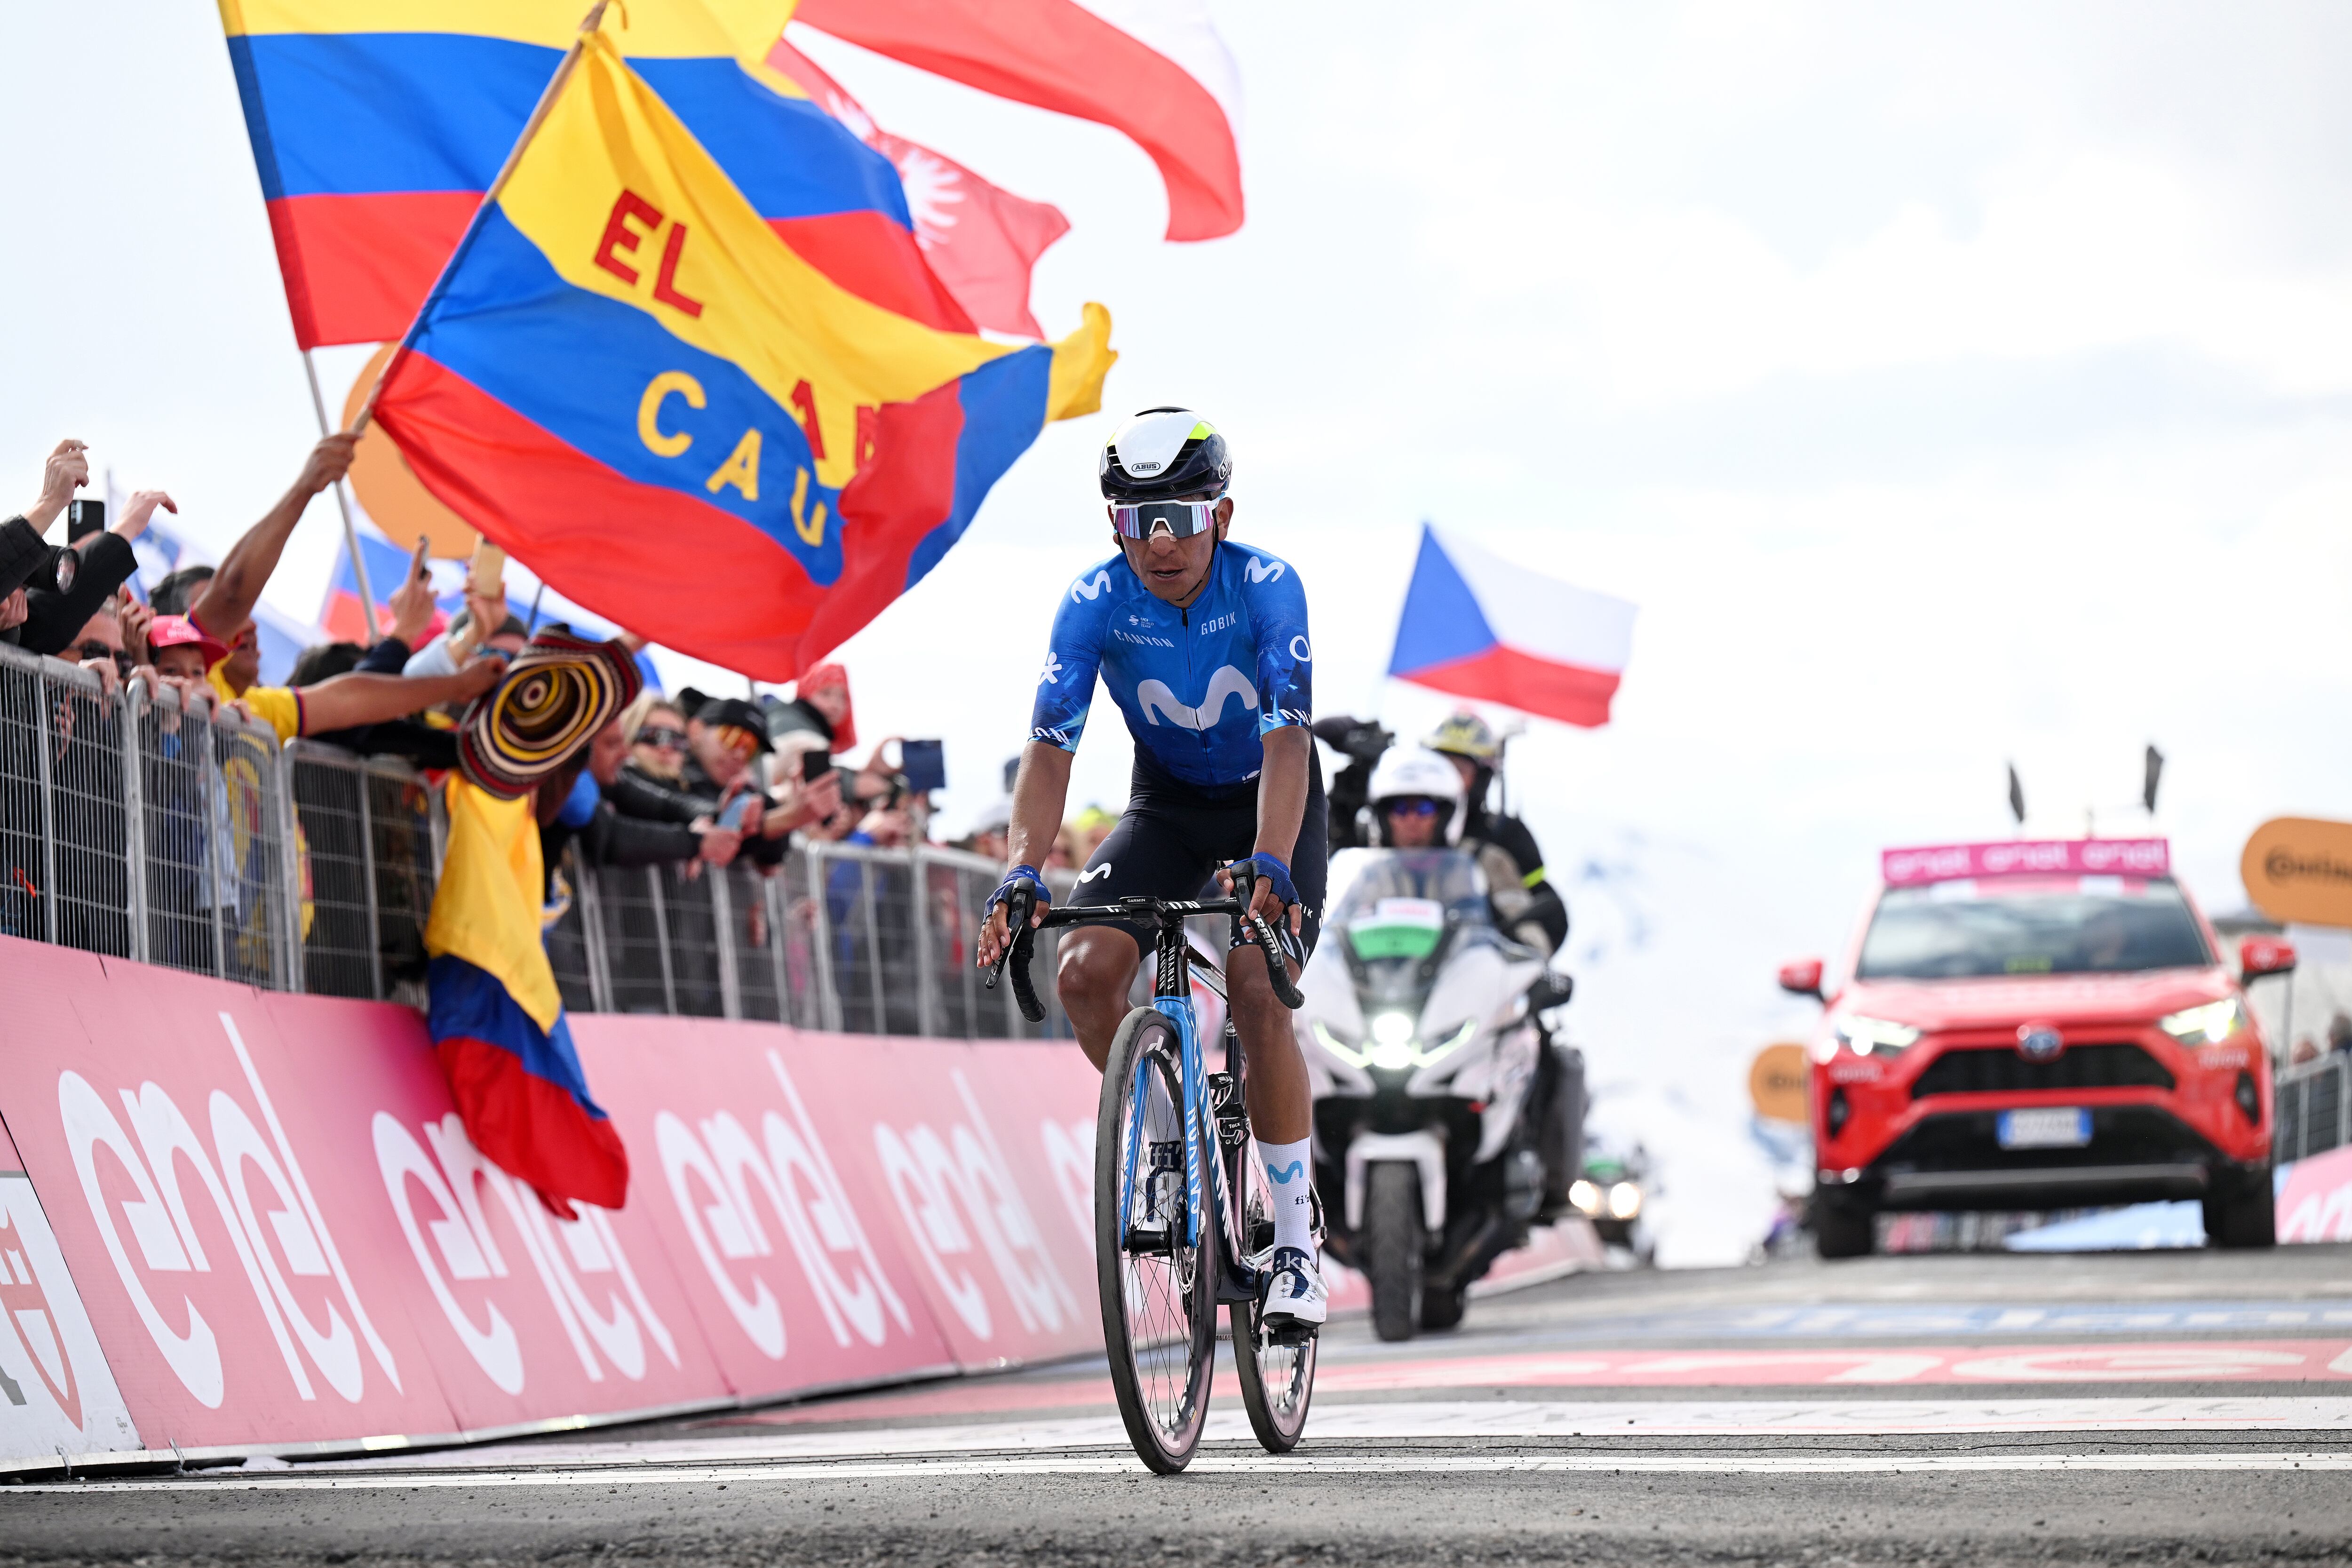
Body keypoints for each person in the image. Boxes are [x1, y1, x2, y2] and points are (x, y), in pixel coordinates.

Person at [975, 406, 1328, 1330]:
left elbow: (1290, 742)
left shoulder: (1268, 587)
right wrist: (1022, 869)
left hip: (1272, 801)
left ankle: (1294, 1241)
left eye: (1178, 516)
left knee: (1255, 988)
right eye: (1138, 521)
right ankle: (1167, 1141)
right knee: (1085, 974)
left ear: (1222, 513)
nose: (1160, 542)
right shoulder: (1092, 601)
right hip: (1166, 803)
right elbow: (1050, 750)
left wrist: (1272, 861)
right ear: (1113, 526)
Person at [187, 434, 357, 694]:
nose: (250, 626)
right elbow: (233, 589)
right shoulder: (194, 685)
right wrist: (305, 487)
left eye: (247, 614)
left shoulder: (260, 709)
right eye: (223, 617)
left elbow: (350, 700)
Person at [1423, 710, 1567, 956]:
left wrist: (1518, 947)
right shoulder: (1397, 823)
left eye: (1460, 769)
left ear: (1481, 777)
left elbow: (1544, 917)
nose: (1447, 778)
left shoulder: (1504, 836)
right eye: (1439, 766)